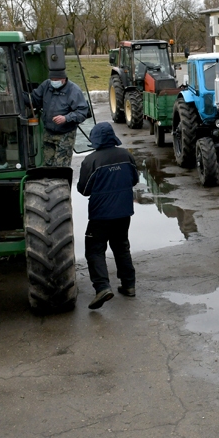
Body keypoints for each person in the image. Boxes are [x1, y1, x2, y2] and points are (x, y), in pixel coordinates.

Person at [77, 122, 139, 309]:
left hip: (100, 215)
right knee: (121, 246)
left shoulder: (91, 160)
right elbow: (134, 179)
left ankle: (102, 287)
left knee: (95, 249)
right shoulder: (126, 155)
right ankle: (129, 285)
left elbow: (84, 189)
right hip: (124, 212)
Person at [30, 68, 89, 166]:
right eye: (52, 79)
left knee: (61, 167)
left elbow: (82, 113)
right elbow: (34, 99)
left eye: (56, 80)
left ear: (63, 79)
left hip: (65, 135)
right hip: (48, 133)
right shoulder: (46, 85)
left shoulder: (74, 90)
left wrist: (66, 118)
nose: (53, 82)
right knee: (47, 165)